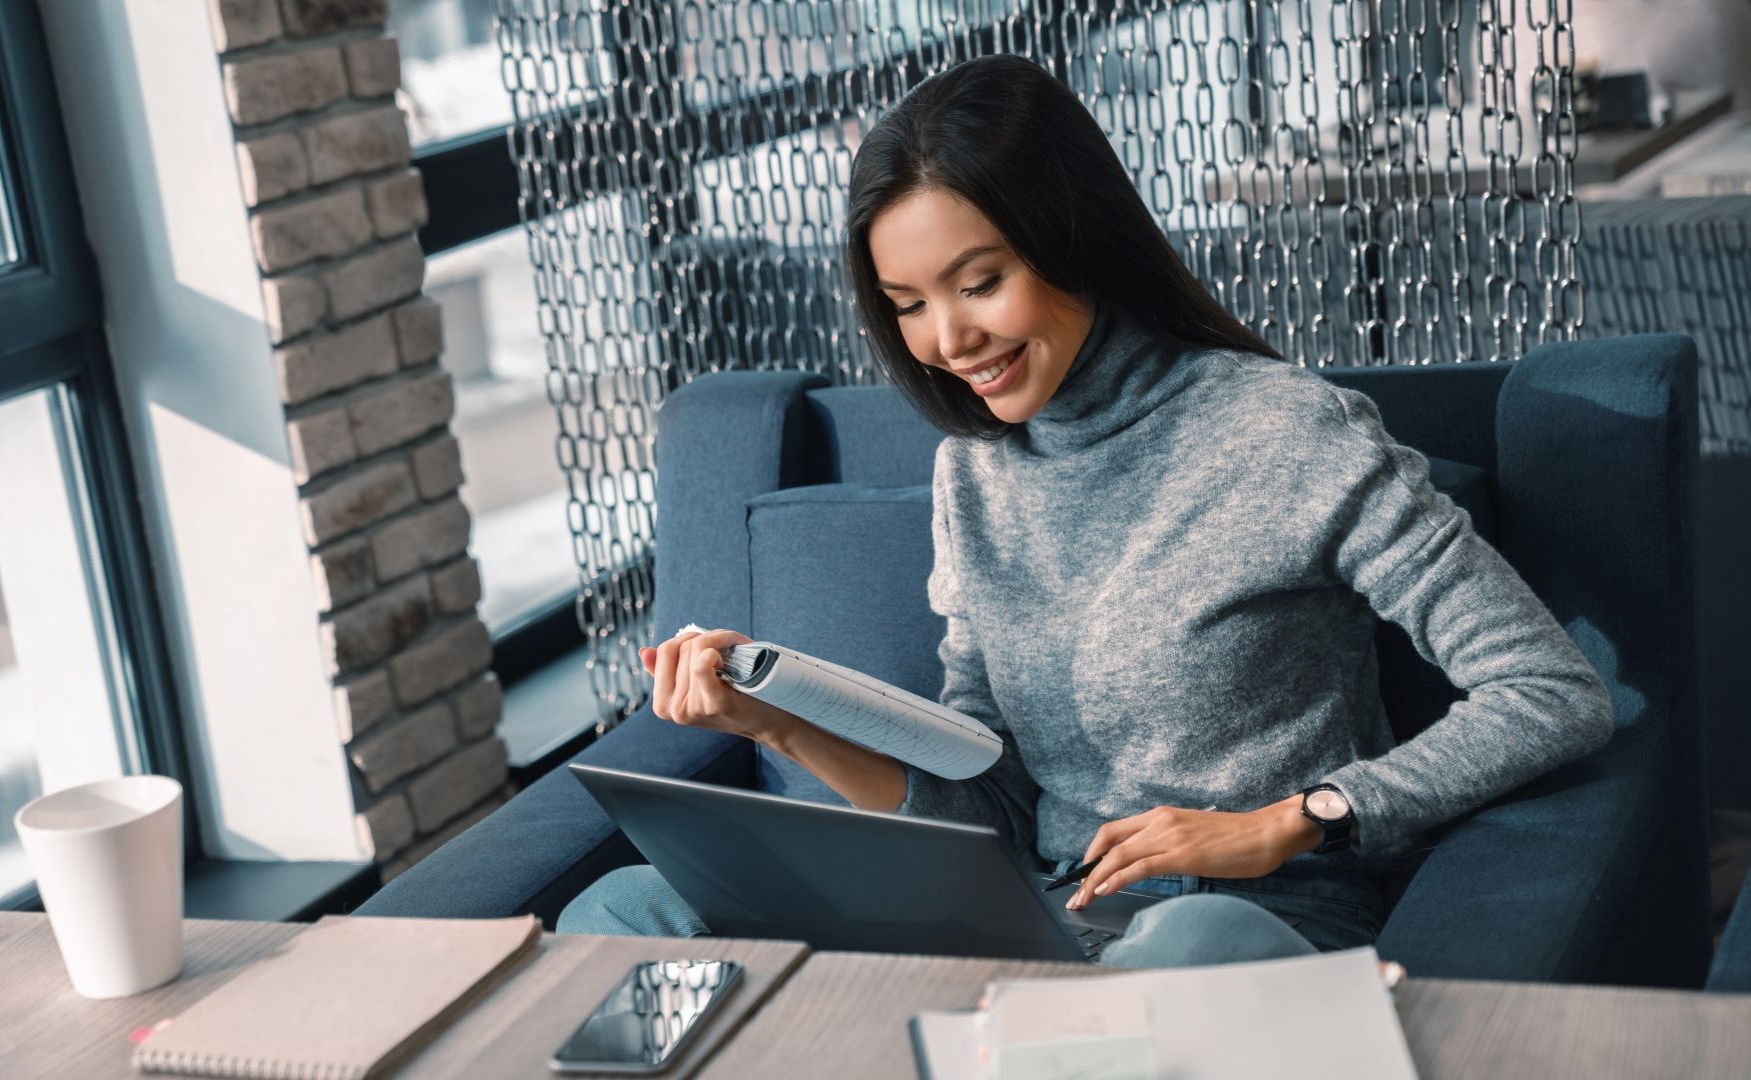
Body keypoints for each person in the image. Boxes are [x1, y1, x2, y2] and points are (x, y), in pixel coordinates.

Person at [557, 54, 1613, 967]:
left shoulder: (1289, 432)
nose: (949, 341)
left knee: (1179, 951)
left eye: (980, 282)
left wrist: (1297, 821)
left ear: (1072, 238)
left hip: (1244, 918)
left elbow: (1551, 690)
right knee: (623, 913)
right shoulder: (973, 474)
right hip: (1030, 907)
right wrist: (777, 720)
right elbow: (987, 799)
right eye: (909, 305)